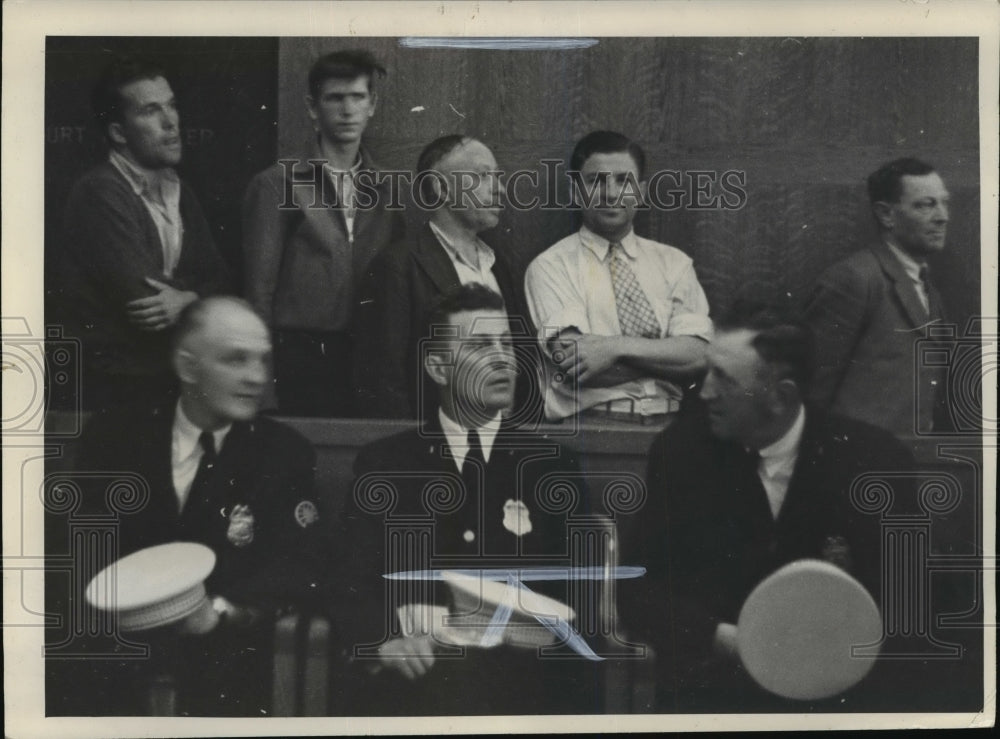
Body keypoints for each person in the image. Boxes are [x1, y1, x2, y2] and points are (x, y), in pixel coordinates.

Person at [620, 299, 915, 712]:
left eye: (723, 378)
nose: (704, 392)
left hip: (834, 703)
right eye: (707, 371)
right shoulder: (680, 454)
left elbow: (910, 611)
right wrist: (723, 639)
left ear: (781, 396)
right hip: (711, 697)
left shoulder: (875, 464)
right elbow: (637, 591)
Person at [339, 284, 602, 715]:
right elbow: (349, 581)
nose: (502, 358)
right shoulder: (386, 464)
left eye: (506, 344)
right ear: (439, 368)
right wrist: (384, 642)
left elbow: (581, 601)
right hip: (416, 692)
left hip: (519, 696)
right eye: (480, 346)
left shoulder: (552, 468)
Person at [66, 296, 329, 715]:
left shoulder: (283, 452)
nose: (256, 378)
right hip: (114, 655)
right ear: (188, 367)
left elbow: (302, 563)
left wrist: (224, 611)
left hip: (225, 662)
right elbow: (76, 551)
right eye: (236, 360)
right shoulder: (114, 437)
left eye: (262, 361)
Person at [52, 55, 231, 411]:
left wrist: (186, 299)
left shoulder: (179, 190)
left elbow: (223, 277)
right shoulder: (100, 192)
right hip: (113, 391)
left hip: (165, 383)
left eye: (172, 106)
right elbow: (145, 301)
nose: (171, 122)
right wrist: (199, 293)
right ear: (118, 133)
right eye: (151, 111)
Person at [242, 49, 404, 416]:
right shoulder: (277, 184)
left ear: (372, 104)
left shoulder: (387, 189)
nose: (347, 110)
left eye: (357, 97)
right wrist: (262, 379)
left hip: (367, 354)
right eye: (334, 98)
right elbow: (258, 291)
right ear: (313, 108)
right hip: (299, 353)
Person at [525, 130, 712, 424]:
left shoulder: (674, 263)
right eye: (596, 181)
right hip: (594, 431)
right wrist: (667, 355)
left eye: (623, 180)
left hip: (672, 429)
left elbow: (700, 358)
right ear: (576, 191)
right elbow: (576, 364)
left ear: (640, 191)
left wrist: (612, 348)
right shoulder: (550, 266)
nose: (611, 193)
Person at [352, 135, 537, 421]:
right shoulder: (397, 266)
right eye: (483, 176)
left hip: (502, 447)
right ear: (441, 188)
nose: (500, 189)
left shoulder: (498, 266)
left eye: (498, 177)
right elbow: (383, 382)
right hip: (433, 449)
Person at [804, 157, 952, 446]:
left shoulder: (928, 288)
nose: (942, 216)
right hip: (856, 466)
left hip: (909, 466)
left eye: (944, 202)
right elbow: (813, 391)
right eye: (925, 205)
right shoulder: (854, 279)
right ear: (886, 215)